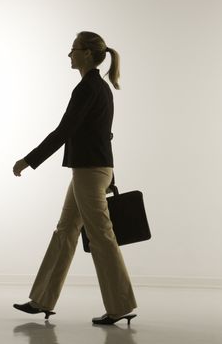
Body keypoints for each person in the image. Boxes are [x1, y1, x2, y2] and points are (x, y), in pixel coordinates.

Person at [12, 31, 137, 325]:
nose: (69, 55)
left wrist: (29, 160)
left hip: (90, 172)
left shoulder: (87, 88)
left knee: (101, 236)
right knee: (65, 231)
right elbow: (102, 134)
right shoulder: (99, 87)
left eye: (73, 49)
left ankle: (120, 305)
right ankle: (41, 300)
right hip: (92, 170)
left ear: (87, 54)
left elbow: (63, 131)